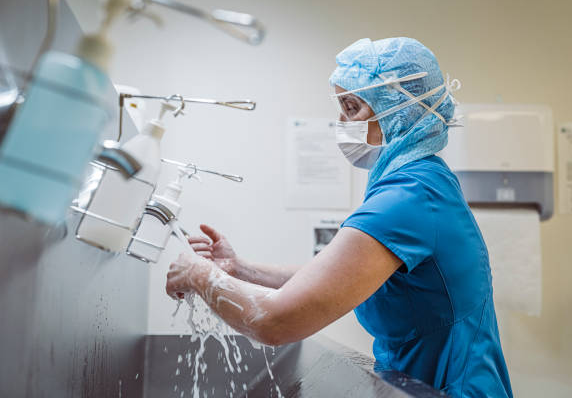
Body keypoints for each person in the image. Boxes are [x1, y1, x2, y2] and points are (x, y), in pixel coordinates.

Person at [166, 37, 513, 397]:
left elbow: (276, 321)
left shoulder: (408, 198)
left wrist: (199, 274)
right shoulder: (422, 179)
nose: (340, 122)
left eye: (351, 107)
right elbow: (335, 278)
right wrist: (239, 269)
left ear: (397, 110)